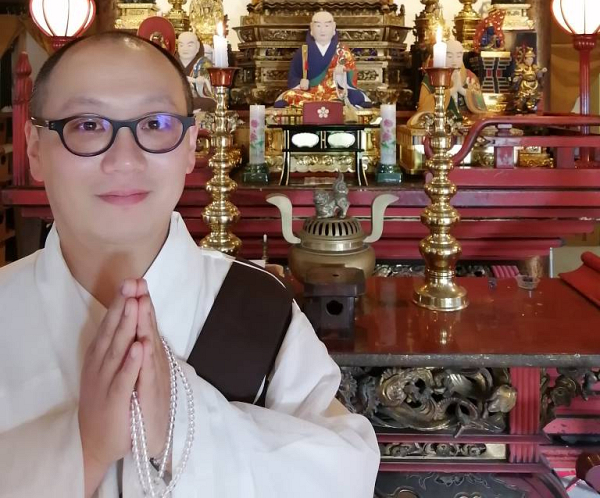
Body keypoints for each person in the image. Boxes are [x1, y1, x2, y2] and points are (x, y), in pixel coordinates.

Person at [0, 32, 379, 497]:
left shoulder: (253, 304)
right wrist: (83, 450)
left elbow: (344, 476)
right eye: (88, 125)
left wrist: (177, 428)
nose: (125, 159)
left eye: (155, 123)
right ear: (34, 149)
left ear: (190, 146)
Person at [274, 10, 371, 108]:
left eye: (327, 26)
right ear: (311, 28)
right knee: (289, 95)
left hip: (335, 92)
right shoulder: (304, 51)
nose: (322, 30)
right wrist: (300, 83)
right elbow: (293, 76)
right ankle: (331, 104)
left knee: (354, 96)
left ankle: (319, 104)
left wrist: (342, 74)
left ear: (333, 27)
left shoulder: (342, 50)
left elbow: (352, 76)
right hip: (310, 92)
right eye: (318, 26)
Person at [409, 38, 487, 126]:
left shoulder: (469, 76)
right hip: (440, 122)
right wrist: (451, 91)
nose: (454, 61)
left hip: (467, 123)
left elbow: (481, 106)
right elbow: (423, 106)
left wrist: (463, 91)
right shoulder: (432, 76)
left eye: (458, 56)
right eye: (449, 56)